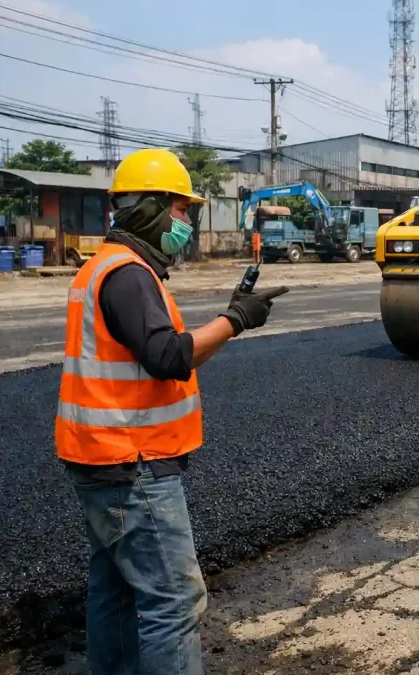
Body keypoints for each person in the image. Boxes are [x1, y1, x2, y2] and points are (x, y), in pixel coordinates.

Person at [55, 148, 289, 675]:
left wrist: (231, 318)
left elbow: (172, 353)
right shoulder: (129, 275)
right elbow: (168, 357)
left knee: (115, 588)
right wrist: (237, 319)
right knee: (172, 602)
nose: (185, 222)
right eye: (181, 210)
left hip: (100, 458)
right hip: (132, 464)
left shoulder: (109, 269)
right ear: (151, 209)